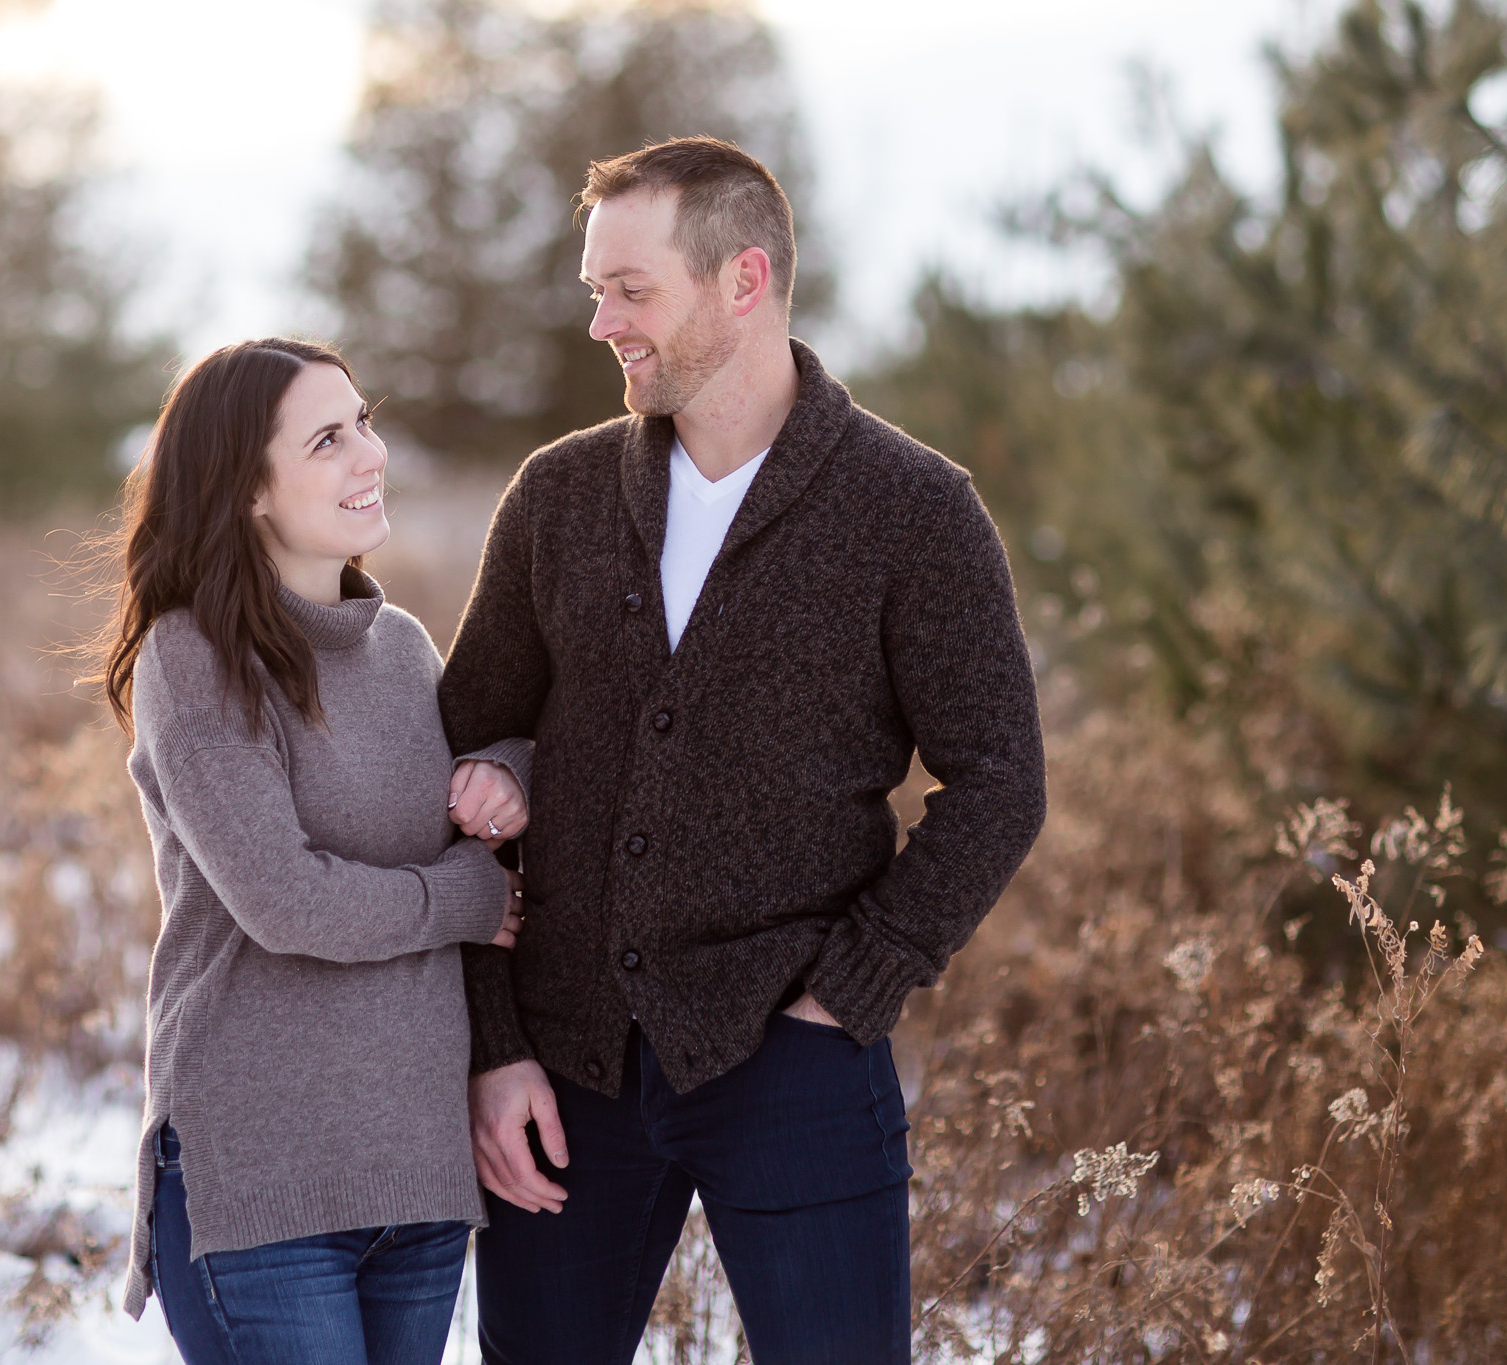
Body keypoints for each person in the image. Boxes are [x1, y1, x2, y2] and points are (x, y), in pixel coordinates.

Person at [439, 138, 1049, 1364]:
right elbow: (459, 776)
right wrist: (494, 1051)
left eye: (631, 289)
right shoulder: (556, 498)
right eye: (593, 290)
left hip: (796, 1061)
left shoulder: (911, 508)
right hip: (567, 1069)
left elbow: (997, 780)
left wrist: (853, 987)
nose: (602, 321)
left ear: (743, 279)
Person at [97, 337, 533, 1364]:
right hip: (266, 1183)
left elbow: (490, 771)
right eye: (327, 439)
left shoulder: (403, 648)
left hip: (416, 1177)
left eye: (364, 423)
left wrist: (510, 767)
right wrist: (466, 901)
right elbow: (287, 902)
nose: (368, 455)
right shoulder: (193, 657)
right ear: (246, 487)